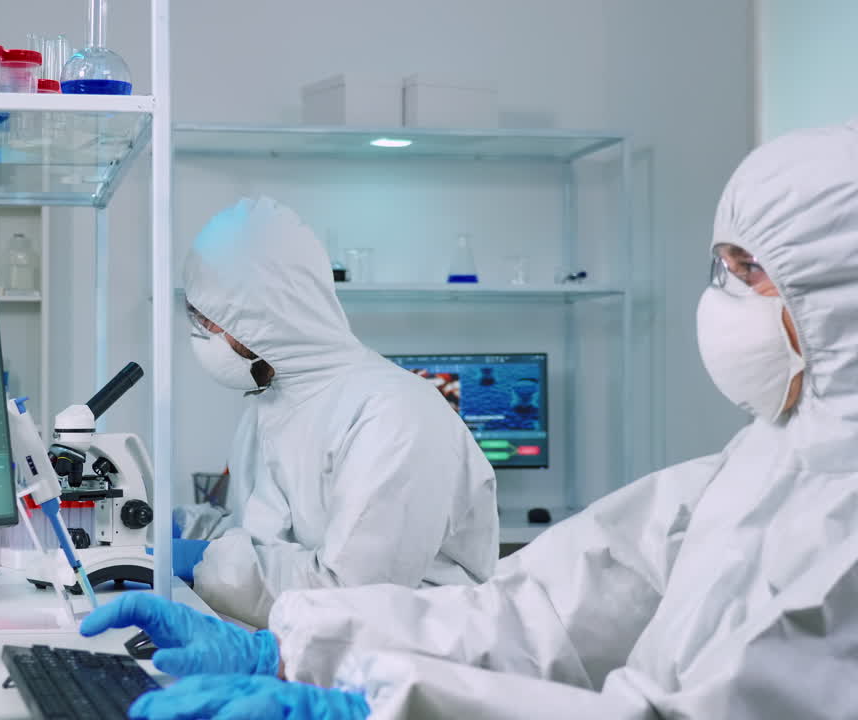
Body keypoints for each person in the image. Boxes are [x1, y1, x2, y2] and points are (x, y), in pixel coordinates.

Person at [85, 122, 858, 718]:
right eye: (719, 267)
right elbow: (532, 618)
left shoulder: (841, 535)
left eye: (747, 271)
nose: (720, 295)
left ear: (837, 297)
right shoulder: (753, 466)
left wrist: (371, 699)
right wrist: (291, 649)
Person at [172, 196, 499, 627]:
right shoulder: (272, 400)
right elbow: (255, 537)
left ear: (261, 313)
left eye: (208, 320)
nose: (202, 335)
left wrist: (201, 562)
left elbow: (351, 595)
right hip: (303, 652)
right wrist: (158, 530)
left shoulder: (393, 416)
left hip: (406, 670)